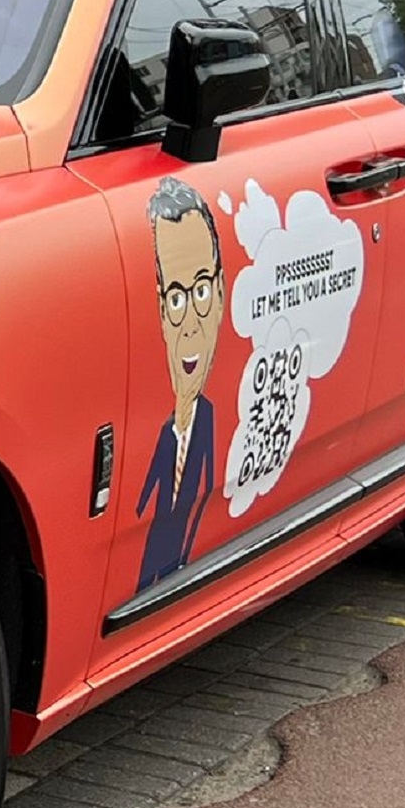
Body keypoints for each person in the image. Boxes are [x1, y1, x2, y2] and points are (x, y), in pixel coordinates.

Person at [134, 178, 225, 599]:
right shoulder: (163, 438)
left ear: (222, 294)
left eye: (201, 291)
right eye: (175, 299)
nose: (190, 322)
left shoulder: (209, 425)